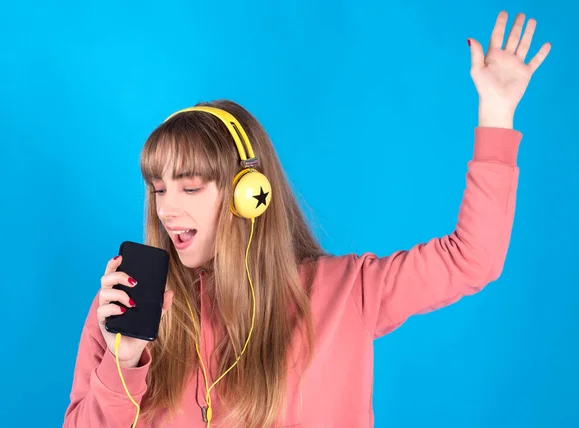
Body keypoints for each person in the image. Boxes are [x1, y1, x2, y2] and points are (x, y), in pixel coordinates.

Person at [63, 10, 551, 428]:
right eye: (158, 189)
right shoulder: (127, 305)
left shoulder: (348, 291)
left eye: (190, 187)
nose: (167, 209)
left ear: (248, 194)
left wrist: (497, 114)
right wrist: (123, 362)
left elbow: (472, 259)